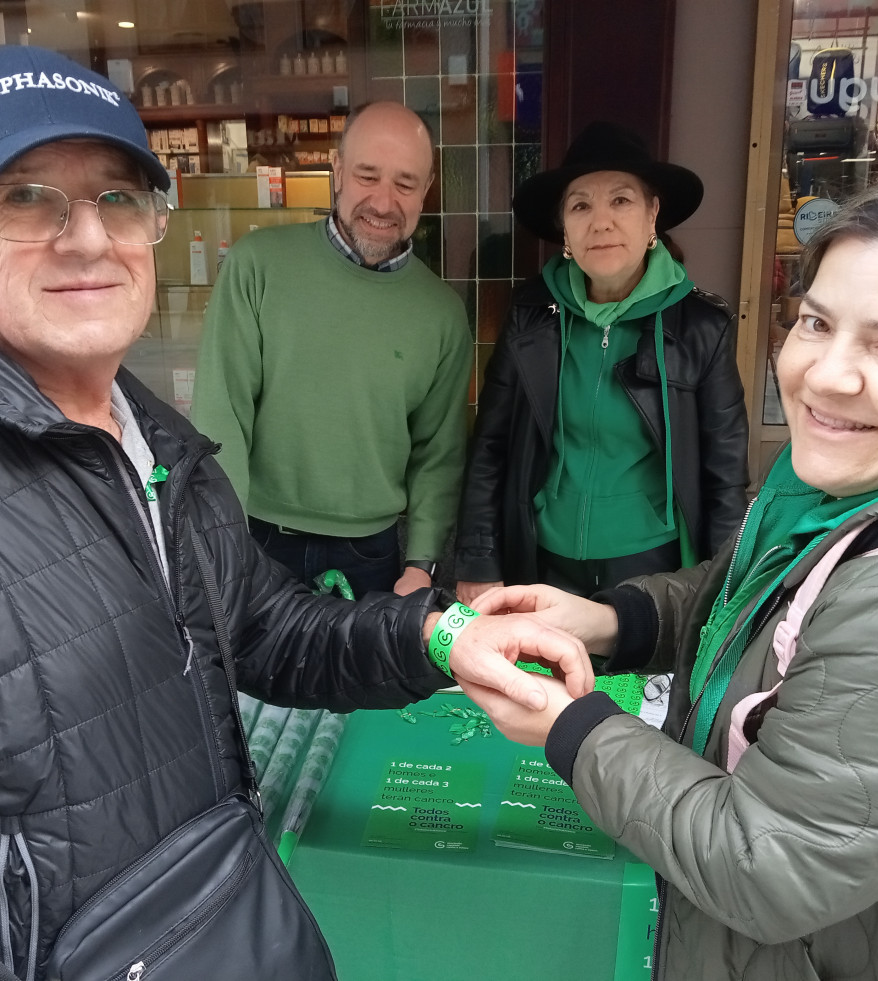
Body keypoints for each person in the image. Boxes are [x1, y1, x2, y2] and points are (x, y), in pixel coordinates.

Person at [0, 45, 590, 979]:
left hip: (223, 911)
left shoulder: (156, 454)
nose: (85, 239)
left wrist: (440, 634)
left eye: (117, 200)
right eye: (27, 199)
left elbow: (269, 633)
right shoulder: (259, 275)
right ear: (334, 175)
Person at [464, 174, 878, 980]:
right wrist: (606, 622)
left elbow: (766, 865)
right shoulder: (840, 491)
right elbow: (751, 597)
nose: (825, 374)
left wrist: (571, 727)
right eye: (815, 322)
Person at [454, 121, 748, 604]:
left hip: (651, 567)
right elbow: (491, 446)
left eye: (621, 200)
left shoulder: (700, 325)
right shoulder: (530, 315)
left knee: (632, 681)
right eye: (581, 205)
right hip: (542, 561)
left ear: (653, 214)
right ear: (564, 228)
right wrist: (478, 560)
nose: (601, 221)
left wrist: (726, 590)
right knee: (546, 680)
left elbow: (726, 475)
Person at [192, 101, 472, 597]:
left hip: (373, 552)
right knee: (252, 677)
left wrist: (422, 563)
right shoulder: (258, 266)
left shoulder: (443, 313)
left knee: (361, 679)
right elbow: (222, 415)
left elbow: (439, 452)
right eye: (368, 176)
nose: (384, 203)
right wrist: (224, 544)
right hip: (256, 537)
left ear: (426, 191)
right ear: (338, 172)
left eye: (405, 183)